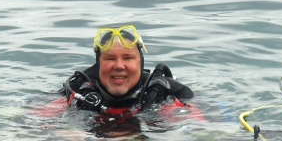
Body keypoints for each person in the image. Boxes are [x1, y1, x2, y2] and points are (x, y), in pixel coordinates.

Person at [57, 25, 201, 118]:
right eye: (110, 58)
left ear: (140, 63)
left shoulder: (164, 98)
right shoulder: (75, 95)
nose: (119, 66)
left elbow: (204, 130)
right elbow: (40, 128)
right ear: (98, 64)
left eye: (128, 58)